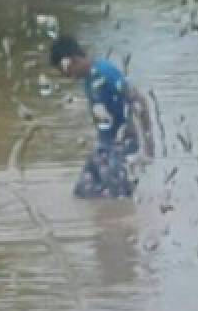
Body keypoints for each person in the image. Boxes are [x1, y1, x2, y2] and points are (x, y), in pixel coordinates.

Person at [50, 36, 153, 199]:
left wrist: (149, 144)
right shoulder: (88, 79)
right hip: (104, 147)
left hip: (122, 146)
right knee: (82, 194)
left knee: (118, 199)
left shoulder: (105, 71)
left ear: (71, 60)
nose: (67, 77)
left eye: (65, 71)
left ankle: (129, 222)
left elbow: (139, 101)